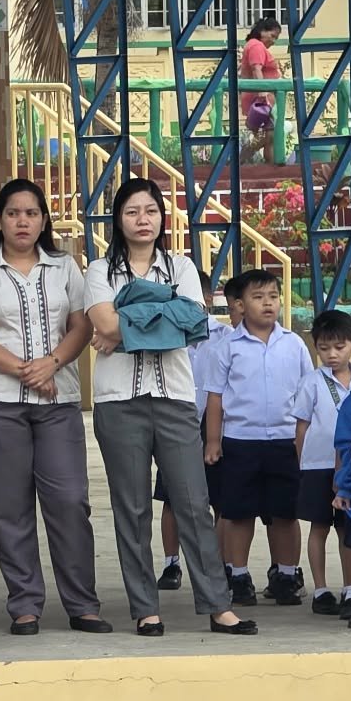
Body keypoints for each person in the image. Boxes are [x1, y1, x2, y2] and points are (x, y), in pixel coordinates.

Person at [83, 176, 249, 636]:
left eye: (151, 211)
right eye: (133, 211)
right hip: (118, 403)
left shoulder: (182, 267)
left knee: (195, 503)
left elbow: (192, 323)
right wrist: (162, 311)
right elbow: (102, 323)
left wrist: (128, 320)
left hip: (175, 398)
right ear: (118, 218)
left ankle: (218, 604)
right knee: (132, 508)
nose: (143, 219)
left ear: (162, 217)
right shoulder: (100, 270)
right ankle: (145, 608)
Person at [0, 179, 107, 637]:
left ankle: (82, 604)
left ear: (44, 221)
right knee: (8, 507)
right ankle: (24, 604)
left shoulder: (64, 268)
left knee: (70, 500)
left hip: (57, 404)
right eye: (14, 213)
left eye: (32, 213)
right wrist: (27, 370)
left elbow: (82, 326)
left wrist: (53, 364)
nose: (23, 221)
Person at [199, 269, 312, 607]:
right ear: (239, 304)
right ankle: (238, 575)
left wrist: (302, 442)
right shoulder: (226, 347)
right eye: (258, 297)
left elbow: (307, 396)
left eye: (273, 297)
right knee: (237, 513)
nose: (267, 304)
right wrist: (213, 441)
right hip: (240, 441)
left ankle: (287, 575)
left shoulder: (293, 344)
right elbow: (215, 397)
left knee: (285, 513)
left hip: (284, 441)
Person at [292, 309, 351, 618]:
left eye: (339, 347)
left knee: (348, 529)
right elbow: (302, 425)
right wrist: (301, 461)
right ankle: (320, 589)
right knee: (319, 526)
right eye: (323, 348)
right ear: (314, 347)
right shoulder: (312, 382)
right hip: (317, 465)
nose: (331, 354)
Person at [238, 19, 282, 159]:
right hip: (260, 99)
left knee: (270, 135)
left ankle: (268, 168)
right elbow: (256, 69)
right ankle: (244, 155)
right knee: (270, 134)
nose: (274, 41)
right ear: (262, 31)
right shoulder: (256, 46)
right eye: (273, 35)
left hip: (261, 98)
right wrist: (263, 94)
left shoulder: (254, 45)